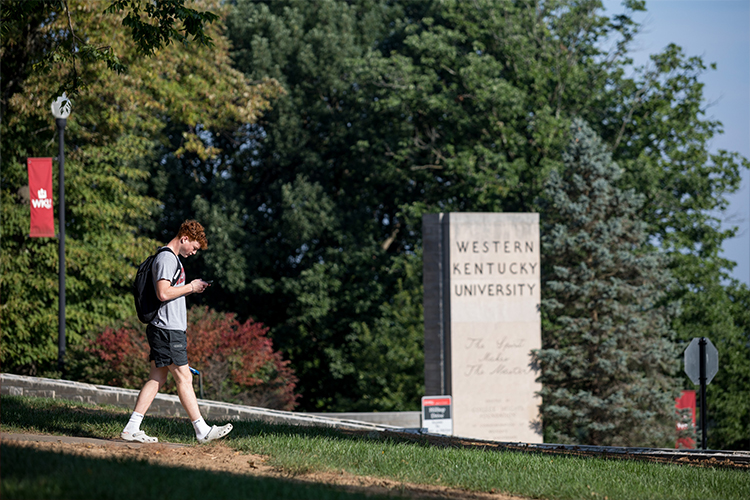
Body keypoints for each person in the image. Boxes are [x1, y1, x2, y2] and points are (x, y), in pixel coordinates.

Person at [121, 220, 233, 444]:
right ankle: (202, 430)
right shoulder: (166, 258)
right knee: (184, 377)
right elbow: (163, 293)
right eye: (193, 247)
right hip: (167, 330)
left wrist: (192, 287)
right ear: (184, 238)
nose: (193, 252)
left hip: (167, 329)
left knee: (157, 377)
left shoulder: (172, 259)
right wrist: (191, 287)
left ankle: (131, 427)